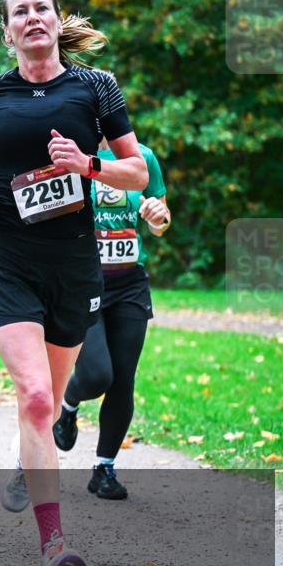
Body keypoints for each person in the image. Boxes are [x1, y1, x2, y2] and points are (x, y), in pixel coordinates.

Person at [0, 0, 149, 566]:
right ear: (7, 31)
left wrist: (88, 165)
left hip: (75, 264)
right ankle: (54, 545)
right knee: (33, 398)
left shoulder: (95, 87)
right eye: (20, 12)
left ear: (57, 21)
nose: (32, 18)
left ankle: (30, 459)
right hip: (7, 261)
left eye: (41, 9)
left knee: (49, 404)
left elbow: (136, 171)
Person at [53, 138, 170, 499]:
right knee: (96, 374)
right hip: (83, 282)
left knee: (122, 379)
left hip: (130, 283)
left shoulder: (142, 156)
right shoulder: (70, 152)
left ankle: (104, 467)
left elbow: (161, 218)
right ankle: (68, 404)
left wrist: (156, 218)